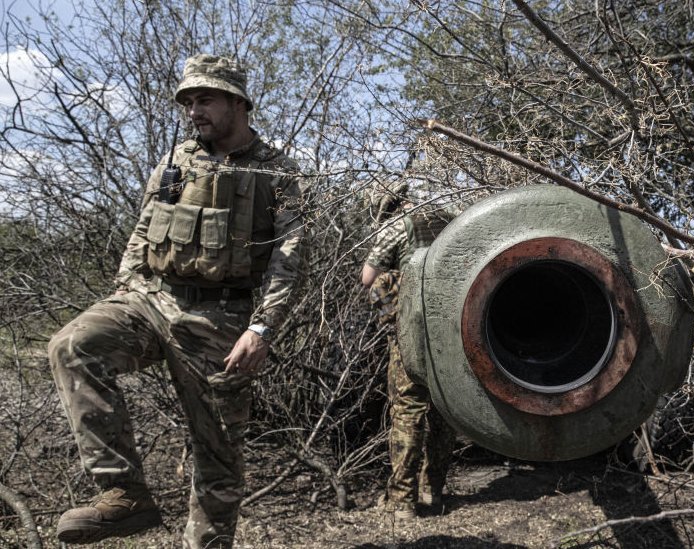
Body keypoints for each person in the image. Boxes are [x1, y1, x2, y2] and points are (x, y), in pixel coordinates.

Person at [48, 54, 306, 547]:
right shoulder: (175, 162)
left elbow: (291, 256)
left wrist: (262, 327)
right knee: (73, 345)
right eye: (188, 102)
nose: (194, 111)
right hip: (151, 301)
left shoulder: (279, 172)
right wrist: (125, 290)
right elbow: (143, 231)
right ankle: (123, 495)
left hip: (220, 320)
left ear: (238, 102)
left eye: (204, 99)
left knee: (218, 458)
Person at [360, 168, 455, 520]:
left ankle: (402, 501)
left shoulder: (396, 226)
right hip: (452, 330)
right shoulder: (451, 218)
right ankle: (434, 490)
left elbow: (368, 277)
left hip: (412, 331)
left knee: (407, 409)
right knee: (446, 410)